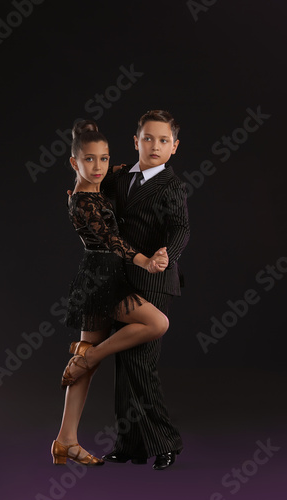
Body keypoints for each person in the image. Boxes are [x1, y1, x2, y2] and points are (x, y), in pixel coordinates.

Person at [51, 120, 171, 467]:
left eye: (104, 159)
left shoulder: (96, 185)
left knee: (85, 359)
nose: (99, 167)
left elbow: (120, 170)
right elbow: (110, 239)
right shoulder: (83, 201)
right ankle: (90, 357)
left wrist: (132, 164)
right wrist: (144, 260)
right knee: (155, 322)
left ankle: (65, 441)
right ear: (75, 163)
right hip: (99, 279)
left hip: (108, 276)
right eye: (90, 160)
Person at [101, 110, 190, 470]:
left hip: (154, 279)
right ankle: (131, 444)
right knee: (124, 363)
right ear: (136, 141)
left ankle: (166, 441)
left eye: (163, 140)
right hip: (121, 277)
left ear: (174, 147)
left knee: (140, 361)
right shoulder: (121, 177)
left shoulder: (171, 185)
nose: (155, 145)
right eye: (148, 138)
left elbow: (181, 227)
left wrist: (168, 253)